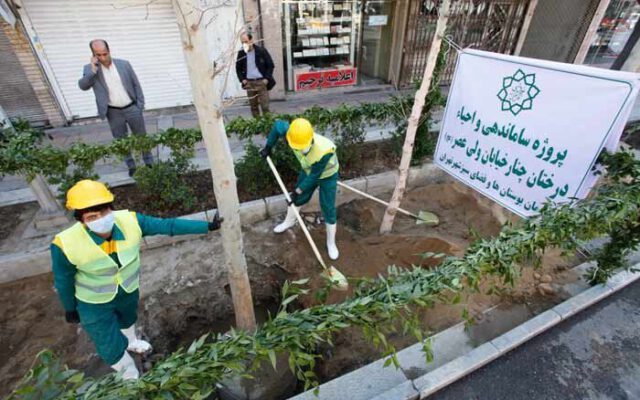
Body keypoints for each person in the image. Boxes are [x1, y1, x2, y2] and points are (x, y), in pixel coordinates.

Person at [51, 180, 223, 379]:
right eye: (92, 217)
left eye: (105, 213)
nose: (101, 219)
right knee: (109, 344)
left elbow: (168, 225)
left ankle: (132, 342)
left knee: (127, 319)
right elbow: (63, 279)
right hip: (93, 302)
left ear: (111, 209)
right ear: (82, 220)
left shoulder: (131, 221)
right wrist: (70, 308)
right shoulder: (65, 244)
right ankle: (131, 376)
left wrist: (208, 226)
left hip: (127, 290)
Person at [260, 118, 340, 260]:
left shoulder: (324, 150)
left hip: (328, 175)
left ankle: (331, 243)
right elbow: (277, 126)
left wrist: (296, 191)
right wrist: (268, 147)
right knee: (298, 200)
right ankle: (289, 221)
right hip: (308, 170)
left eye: (302, 146)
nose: (300, 149)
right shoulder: (292, 133)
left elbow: (315, 175)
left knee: (328, 207)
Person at [78, 39, 153, 177]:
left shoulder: (124, 64)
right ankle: (131, 165)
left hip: (132, 108)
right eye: (98, 55)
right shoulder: (89, 69)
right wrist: (93, 71)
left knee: (141, 137)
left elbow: (136, 84)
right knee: (121, 141)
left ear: (109, 50)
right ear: (93, 55)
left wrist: (139, 106)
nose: (102, 58)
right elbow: (83, 86)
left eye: (104, 54)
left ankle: (149, 162)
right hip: (113, 112)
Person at [235, 33, 275, 118]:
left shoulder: (261, 51)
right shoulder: (241, 53)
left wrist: (266, 79)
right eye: (242, 42)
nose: (244, 44)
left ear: (251, 40)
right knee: (253, 106)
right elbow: (238, 68)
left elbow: (270, 65)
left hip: (261, 82)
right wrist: (242, 79)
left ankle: (267, 124)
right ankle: (257, 125)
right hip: (249, 83)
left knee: (265, 106)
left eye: (246, 41)